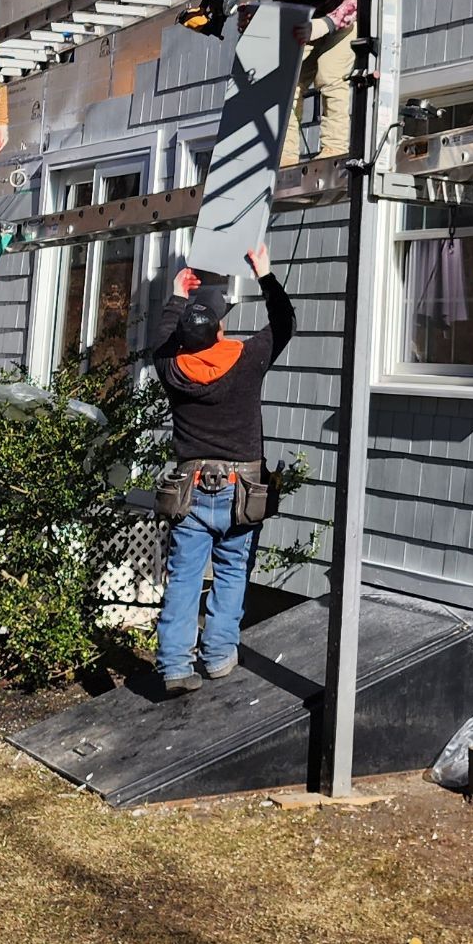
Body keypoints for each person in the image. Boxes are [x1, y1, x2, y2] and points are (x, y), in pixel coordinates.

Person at [149, 239, 294, 693]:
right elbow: (285, 324)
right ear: (217, 333)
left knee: (184, 578)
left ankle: (174, 665)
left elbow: (162, 340)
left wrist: (176, 295)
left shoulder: (171, 368)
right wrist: (265, 274)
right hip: (242, 491)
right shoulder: (246, 360)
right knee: (232, 571)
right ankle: (217, 656)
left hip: (190, 490)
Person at [266, 0, 358, 160]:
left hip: (342, 18)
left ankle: (335, 146)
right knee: (286, 82)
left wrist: (324, 24)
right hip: (306, 22)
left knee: (329, 71)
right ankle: (286, 154)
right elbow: (282, 2)